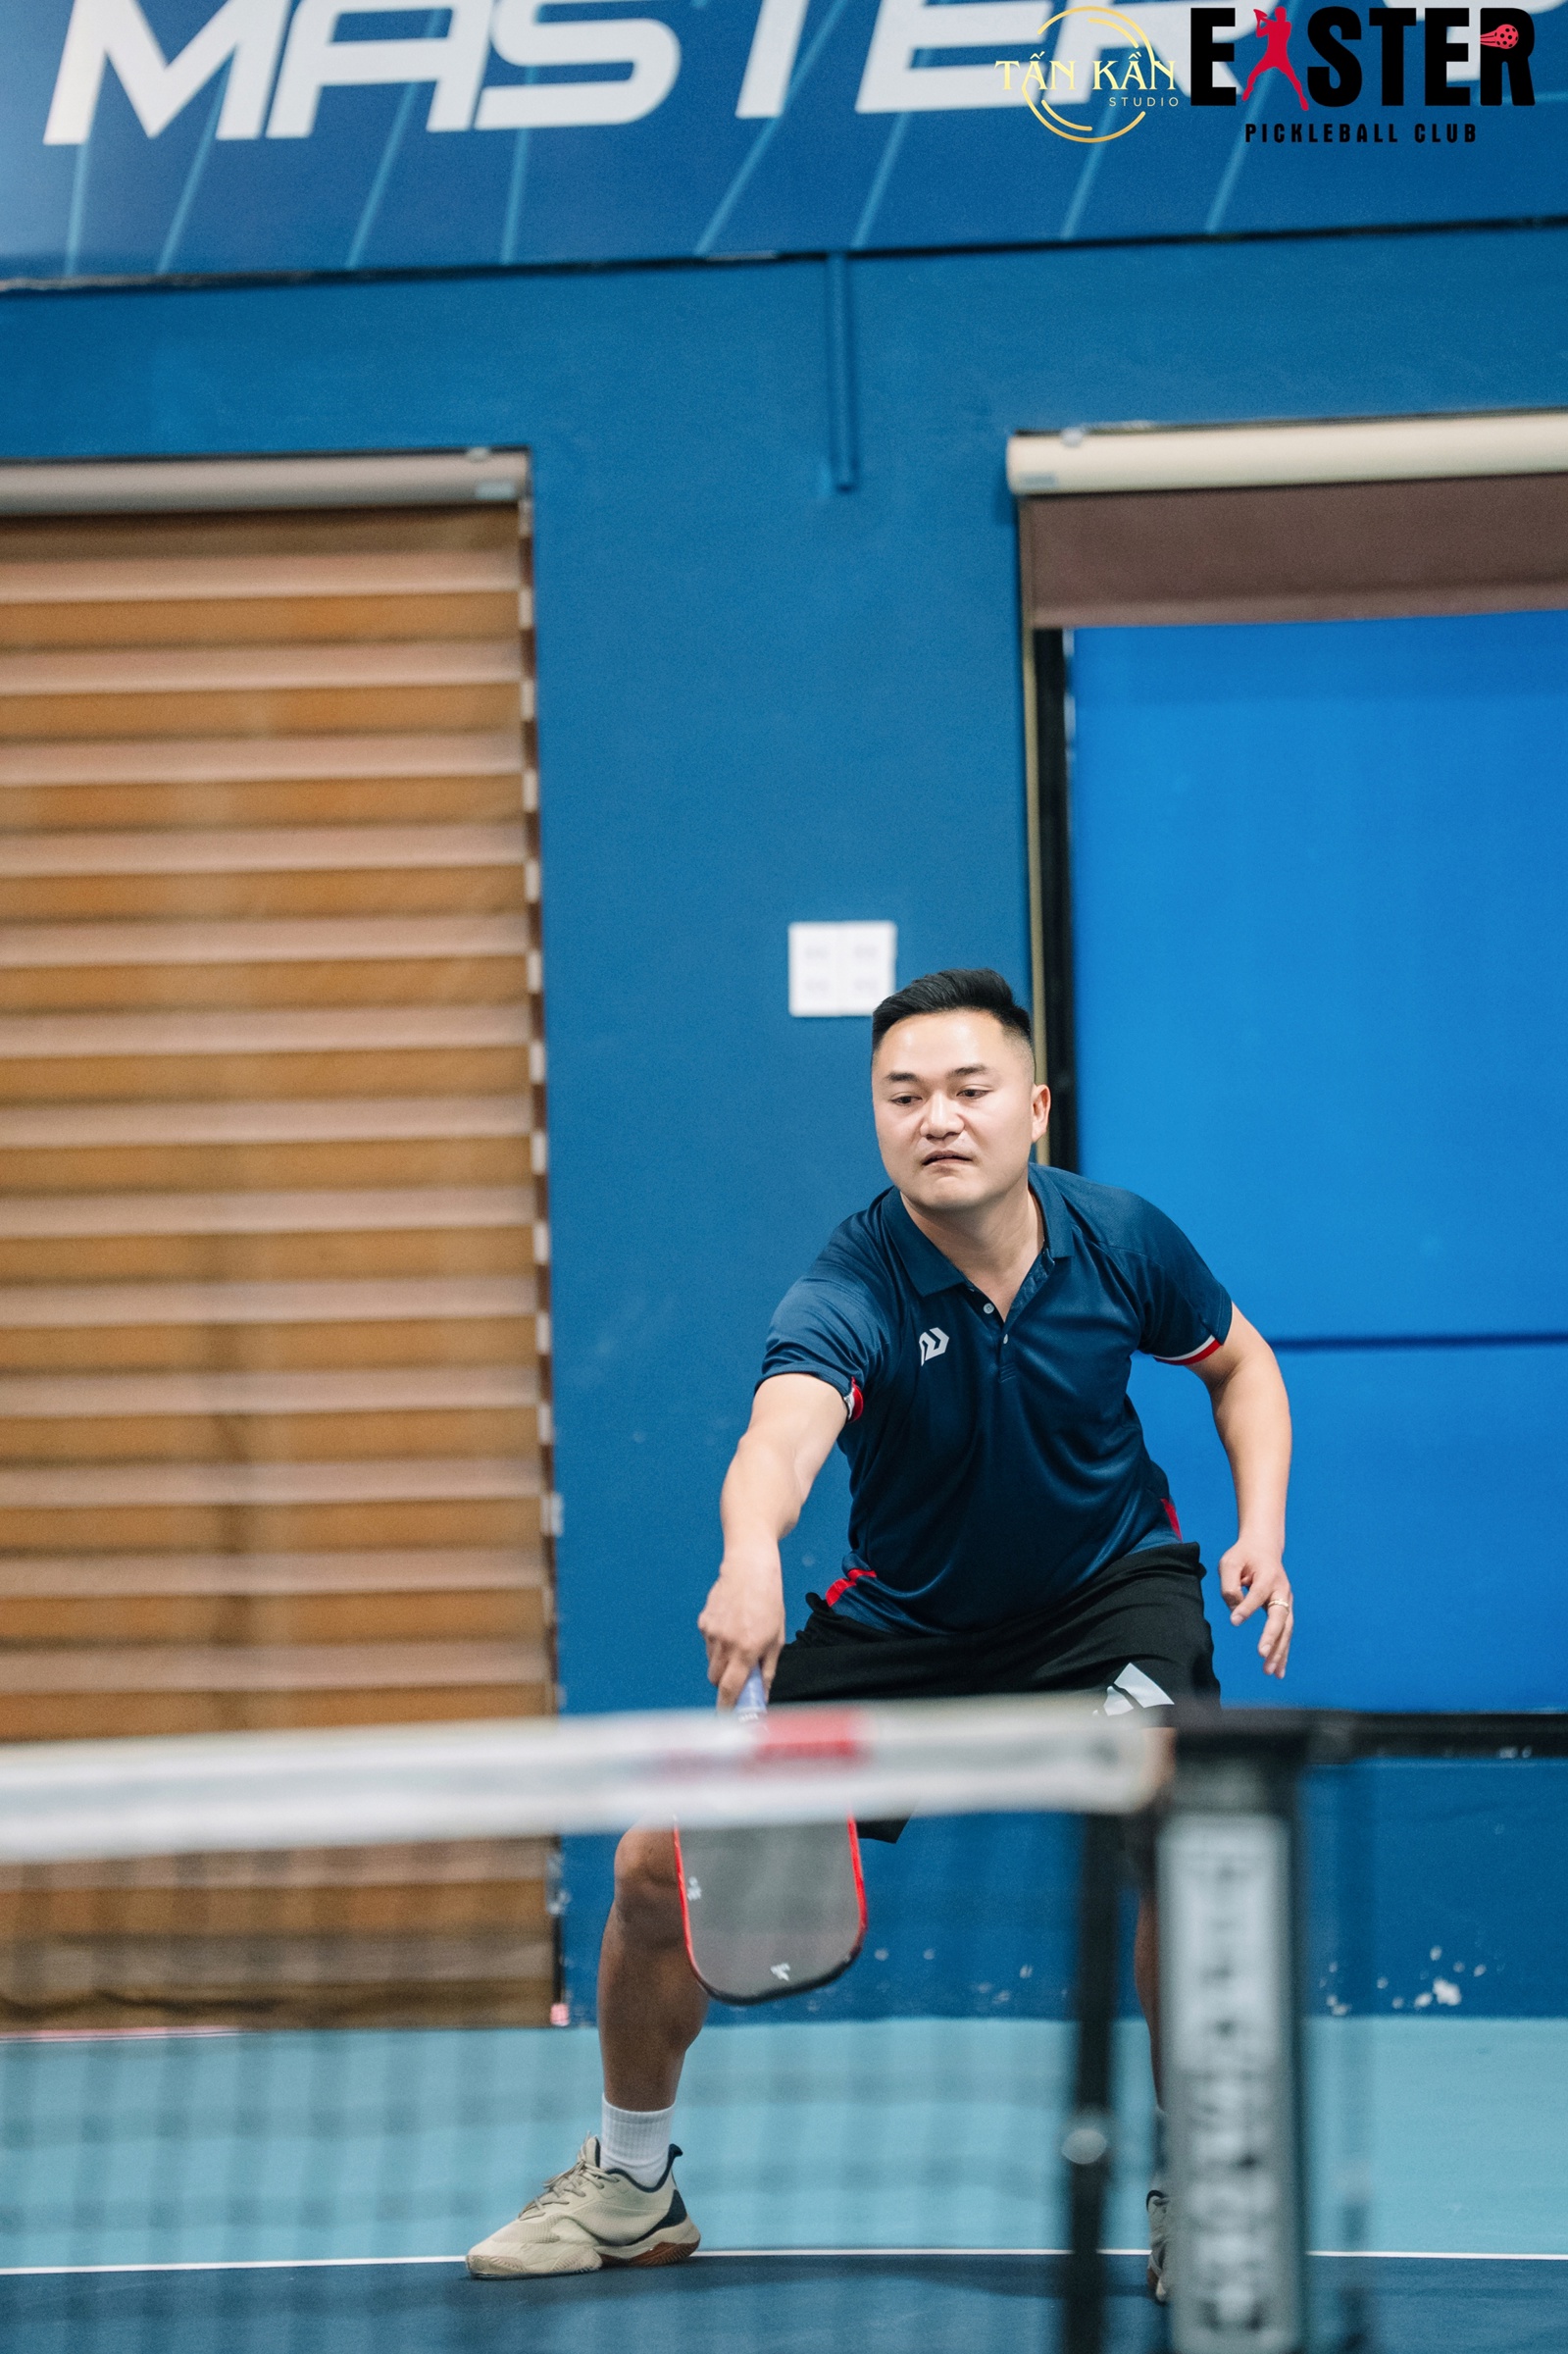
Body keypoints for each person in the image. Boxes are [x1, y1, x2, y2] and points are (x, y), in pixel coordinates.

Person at [467, 966, 1293, 2292]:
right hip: (912, 1625)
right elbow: (781, 1437)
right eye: (904, 1096)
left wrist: (1263, 1529)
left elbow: (1240, 1363)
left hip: (1109, 1599)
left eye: (969, 1089)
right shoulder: (852, 1283)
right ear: (876, 1116)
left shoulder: (1121, 1241)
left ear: (1034, 1107)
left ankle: (1200, 2182)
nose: (938, 1118)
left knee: (1188, 1836)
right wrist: (750, 1550)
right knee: (652, 1870)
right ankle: (632, 2185)